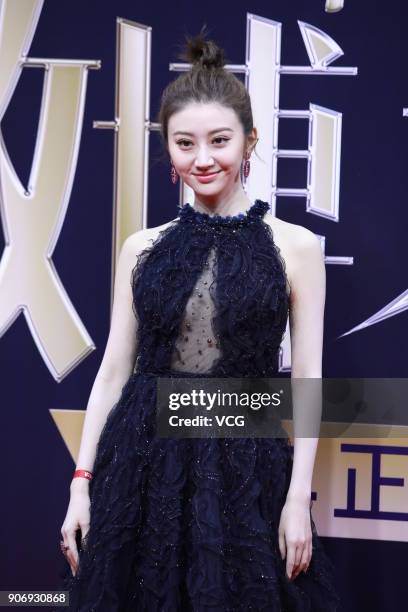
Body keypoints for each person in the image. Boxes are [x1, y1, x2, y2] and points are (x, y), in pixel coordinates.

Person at [57, 26, 341, 611]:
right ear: (168, 149)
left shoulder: (297, 248)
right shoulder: (141, 247)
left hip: (244, 464)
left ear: (250, 140)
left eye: (219, 141)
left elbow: (307, 380)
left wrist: (297, 502)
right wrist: (80, 484)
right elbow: (113, 371)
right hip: (139, 462)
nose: (203, 159)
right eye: (185, 144)